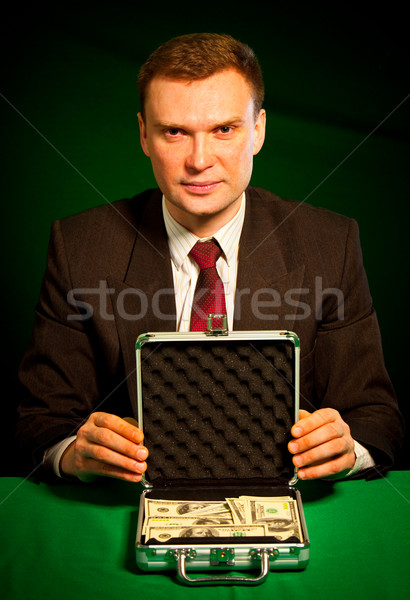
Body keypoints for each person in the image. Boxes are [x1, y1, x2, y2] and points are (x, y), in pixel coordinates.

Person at [15, 33, 403, 483]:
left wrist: (348, 449)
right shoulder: (79, 245)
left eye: (224, 129)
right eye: (175, 132)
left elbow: (377, 419)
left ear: (257, 129)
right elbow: (38, 422)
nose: (199, 161)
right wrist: (72, 455)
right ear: (144, 134)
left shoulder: (329, 243)